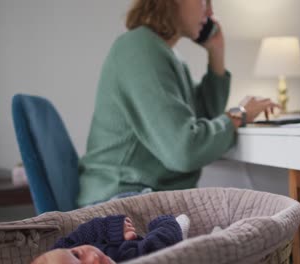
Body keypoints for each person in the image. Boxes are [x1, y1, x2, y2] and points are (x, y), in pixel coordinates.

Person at [77, 0, 278, 207]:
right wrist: (240, 114)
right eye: (204, 1)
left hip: (140, 196)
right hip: (120, 200)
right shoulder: (141, 48)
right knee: (258, 218)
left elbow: (205, 119)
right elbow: (185, 150)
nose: (209, 12)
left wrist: (216, 52)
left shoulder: (166, 54)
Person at [31, 214, 190, 264]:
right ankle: (179, 232)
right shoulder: (130, 258)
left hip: (122, 239)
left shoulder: (60, 251)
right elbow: (158, 245)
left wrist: (112, 227)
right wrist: (166, 224)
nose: (93, 257)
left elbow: (83, 233)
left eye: (77, 255)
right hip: (145, 246)